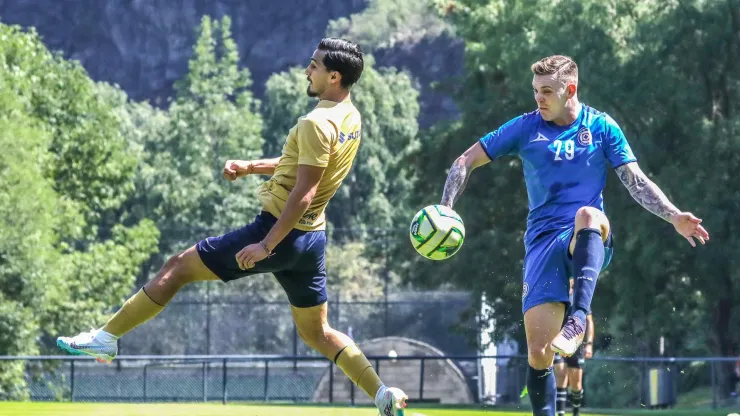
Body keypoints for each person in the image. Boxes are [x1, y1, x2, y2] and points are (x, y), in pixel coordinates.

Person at [56, 38, 408, 416]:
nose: (307, 71)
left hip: (278, 231)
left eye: (314, 65)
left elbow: (302, 193)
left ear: (334, 75)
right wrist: (249, 166)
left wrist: (266, 246)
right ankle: (382, 393)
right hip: (312, 240)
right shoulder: (348, 117)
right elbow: (301, 165)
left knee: (176, 268)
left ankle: (106, 338)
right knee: (317, 333)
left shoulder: (315, 123)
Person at [439, 55, 709, 415]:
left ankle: (579, 318)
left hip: (588, 235)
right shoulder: (525, 127)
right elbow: (464, 161)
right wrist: (445, 208)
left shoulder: (601, 127)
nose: (539, 99)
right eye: (536, 91)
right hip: (540, 243)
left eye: (547, 91)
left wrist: (673, 215)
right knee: (539, 353)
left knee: (587, 214)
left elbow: (635, 181)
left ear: (571, 90)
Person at [554, 279, 594, 416]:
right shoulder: (557, 295)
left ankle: (576, 412)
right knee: (560, 373)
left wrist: (589, 344)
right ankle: (560, 413)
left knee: (576, 384)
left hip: (576, 342)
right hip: (558, 340)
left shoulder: (580, 296)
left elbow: (589, 322)